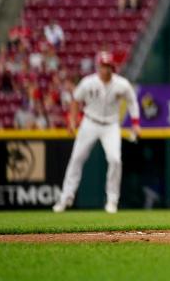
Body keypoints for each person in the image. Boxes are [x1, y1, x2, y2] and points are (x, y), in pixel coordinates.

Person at [53, 52, 140, 214]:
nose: (103, 69)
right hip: (90, 122)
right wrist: (72, 121)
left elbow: (132, 101)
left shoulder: (122, 84)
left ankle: (112, 201)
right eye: (101, 65)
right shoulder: (88, 82)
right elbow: (75, 99)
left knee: (115, 160)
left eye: (106, 66)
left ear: (112, 68)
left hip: (111, 125)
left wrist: (136, 123)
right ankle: (65, 198)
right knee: (76, 158)